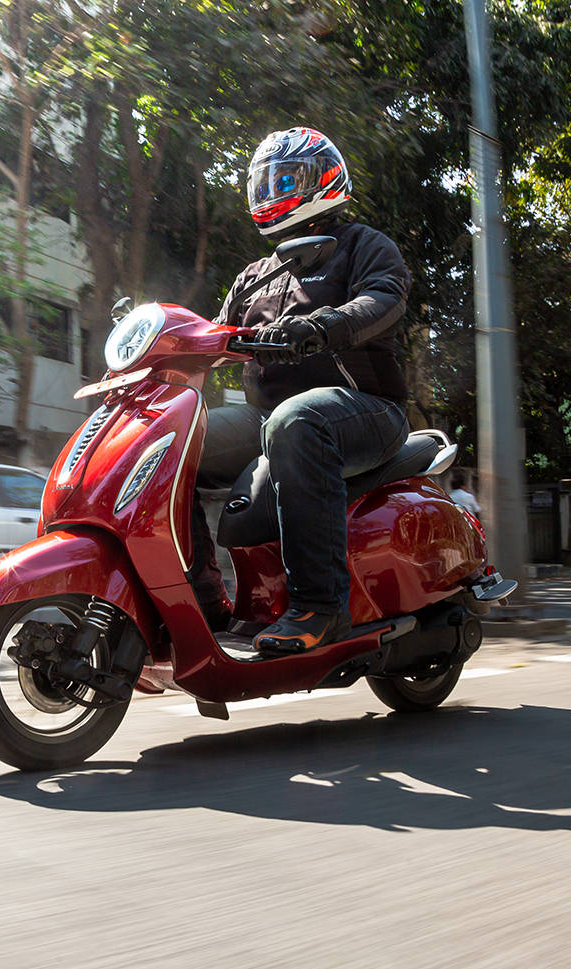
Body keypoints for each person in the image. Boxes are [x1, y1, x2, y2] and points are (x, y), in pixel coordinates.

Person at [188, 126, 411, 656]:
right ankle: (200, 600)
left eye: (287, 178)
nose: (273, 190)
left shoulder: (364, 246)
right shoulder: (256, 275)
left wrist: (323, 325)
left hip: (368, 411)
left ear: (325, 179)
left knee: (295, 420)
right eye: (266, 181)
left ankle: (320, 607)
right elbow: (213, 338)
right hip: (268, 421)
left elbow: (383, 299)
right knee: (177, 441)